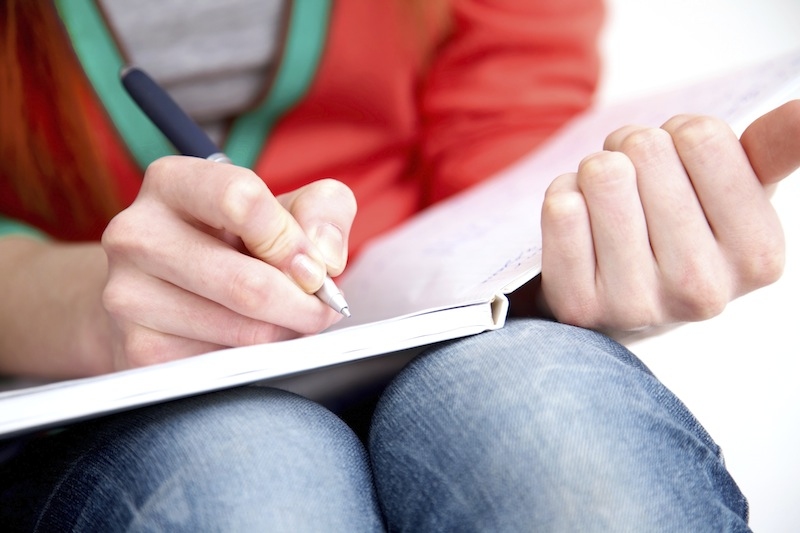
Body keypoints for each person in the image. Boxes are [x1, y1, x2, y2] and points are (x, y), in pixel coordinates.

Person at [0, 0, 797, 530]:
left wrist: (605, 253)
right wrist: (90, 306)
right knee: (246, 482)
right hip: (74, 382)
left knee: (554, 423)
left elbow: (505, 160)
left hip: (427, 328)